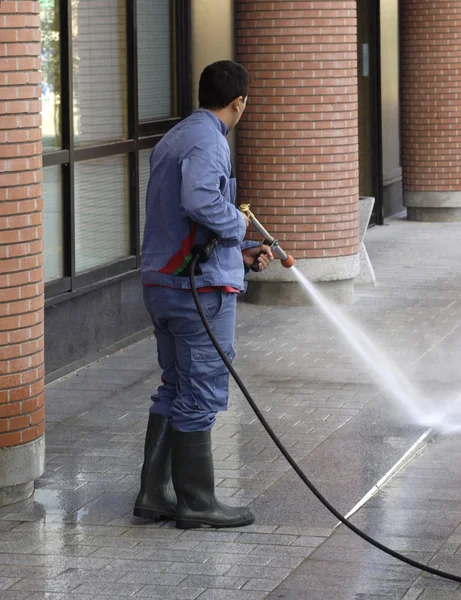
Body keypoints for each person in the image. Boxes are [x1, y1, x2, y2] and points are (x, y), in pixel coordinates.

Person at [133, 60, 273, 529]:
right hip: (197, 291)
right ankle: (196, 503)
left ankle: (154, 495)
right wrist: (240, 225)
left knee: (175, 387)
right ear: (239, 103)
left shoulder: (177, 136)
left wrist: (242, 252)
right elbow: (200, 202)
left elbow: (185, 219)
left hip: (165, 283)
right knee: (201, 391)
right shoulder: (210, 140)